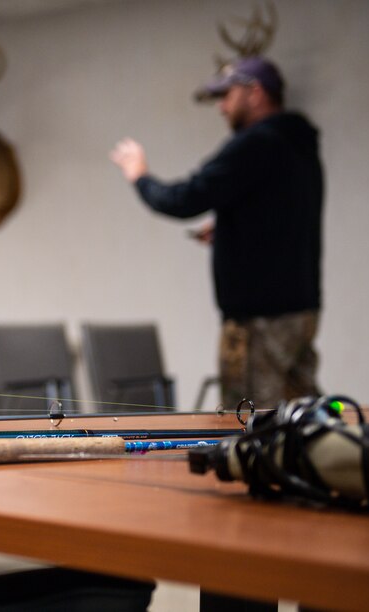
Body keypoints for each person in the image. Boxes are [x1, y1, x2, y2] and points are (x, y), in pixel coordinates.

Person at [109, 56, 323, 411]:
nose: (222, 107)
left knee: (252, 423)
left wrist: (140, 175)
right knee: (302, 420)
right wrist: (228, 229)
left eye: (227, 95)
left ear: (255, 93)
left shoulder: (256, 144)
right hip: (301, 310)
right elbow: (279, 212)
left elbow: (185, 199)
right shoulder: (298, 143)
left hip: (259, 318)